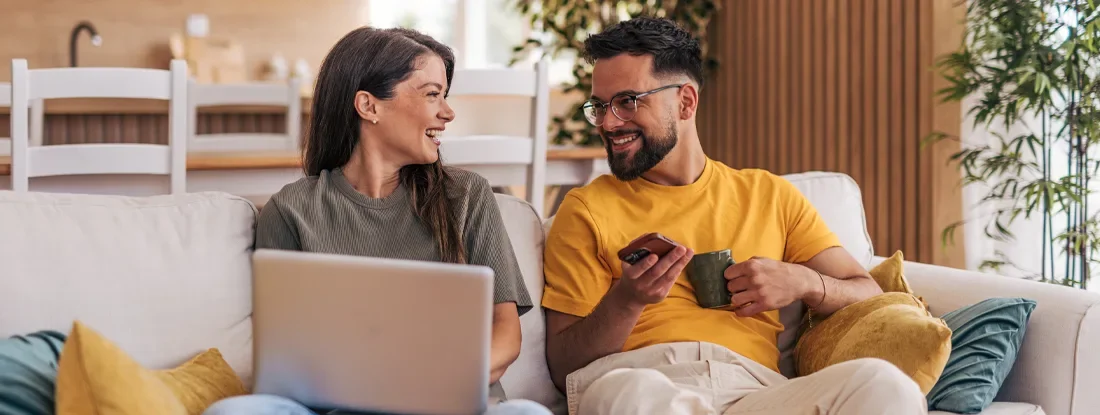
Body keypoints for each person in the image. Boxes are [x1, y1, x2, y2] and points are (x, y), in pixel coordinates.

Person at [540, 17, 928, 415]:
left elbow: (868, 292)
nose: (608, 123)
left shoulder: (770, 195)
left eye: (627, 102)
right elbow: (563, 365)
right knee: (629, 392)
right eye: (600, 106)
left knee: (884, 384)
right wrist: (627, 300)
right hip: (643, 381)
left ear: (686, 102)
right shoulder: (586, 208)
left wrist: (803, 282)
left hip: (754, 392)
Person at [202, 26, 550, 415]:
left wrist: (426, 385)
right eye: (433, 94)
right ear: (369, 106)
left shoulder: (468, 196)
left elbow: (506, 335)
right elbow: (286, 357)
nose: (448, 112)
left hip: (451, 405)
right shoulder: (292, 210)